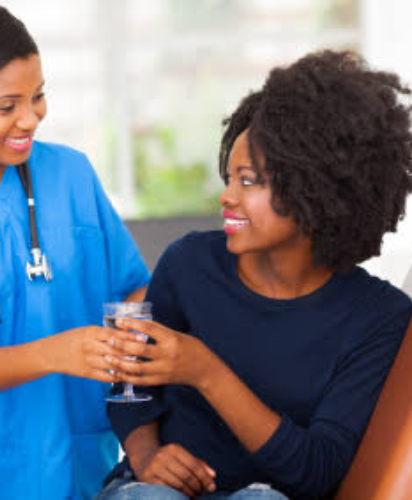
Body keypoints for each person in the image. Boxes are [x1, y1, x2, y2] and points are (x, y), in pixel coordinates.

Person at [96, 50, 412, 500]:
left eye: (247, 181)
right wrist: (147, 457)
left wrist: (205, 370)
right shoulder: (190, 264)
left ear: (312, 189)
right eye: (229, 178)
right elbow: (130, 383)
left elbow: (315, 471)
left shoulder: (378, 317)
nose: (226, 197)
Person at [0, 1, 149, 499]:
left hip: (83, 465)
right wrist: (58, 352)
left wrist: (134, 339)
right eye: (7, 107)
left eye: (38, 97)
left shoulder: (70, 174)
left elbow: (131, 289)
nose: (30, 118)